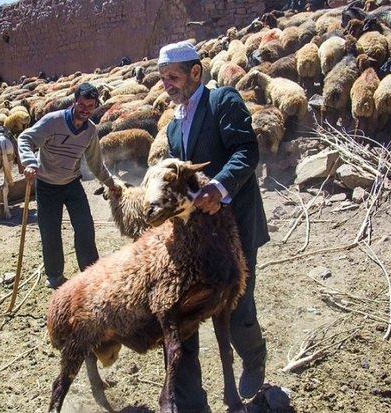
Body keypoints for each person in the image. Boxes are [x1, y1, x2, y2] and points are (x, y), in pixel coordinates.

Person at [157, 41, 270, 412]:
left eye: (172, 77)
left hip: (235, 226)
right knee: (182, 315)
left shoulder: (222, 100)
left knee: (237, 310)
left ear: (195, 72)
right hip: (199, 238)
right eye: (162, 79)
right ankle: (191, 404)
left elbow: (245, 152)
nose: (166, 85)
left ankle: (254, 357)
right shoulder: (173, 126)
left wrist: (218, 188)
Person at [17, 82, 121, 289]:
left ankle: (91, 273)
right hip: (47, 185)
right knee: (50, 231)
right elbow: (25, 138)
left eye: (90, 106)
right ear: (74, 102)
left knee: (84, 227)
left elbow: (95, 162)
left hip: (72, 184)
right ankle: (55, 276)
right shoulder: (53, 122)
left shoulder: (90, 131)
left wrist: (111, 183)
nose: (85, 110)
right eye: (82, 105)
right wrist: (29, 163)